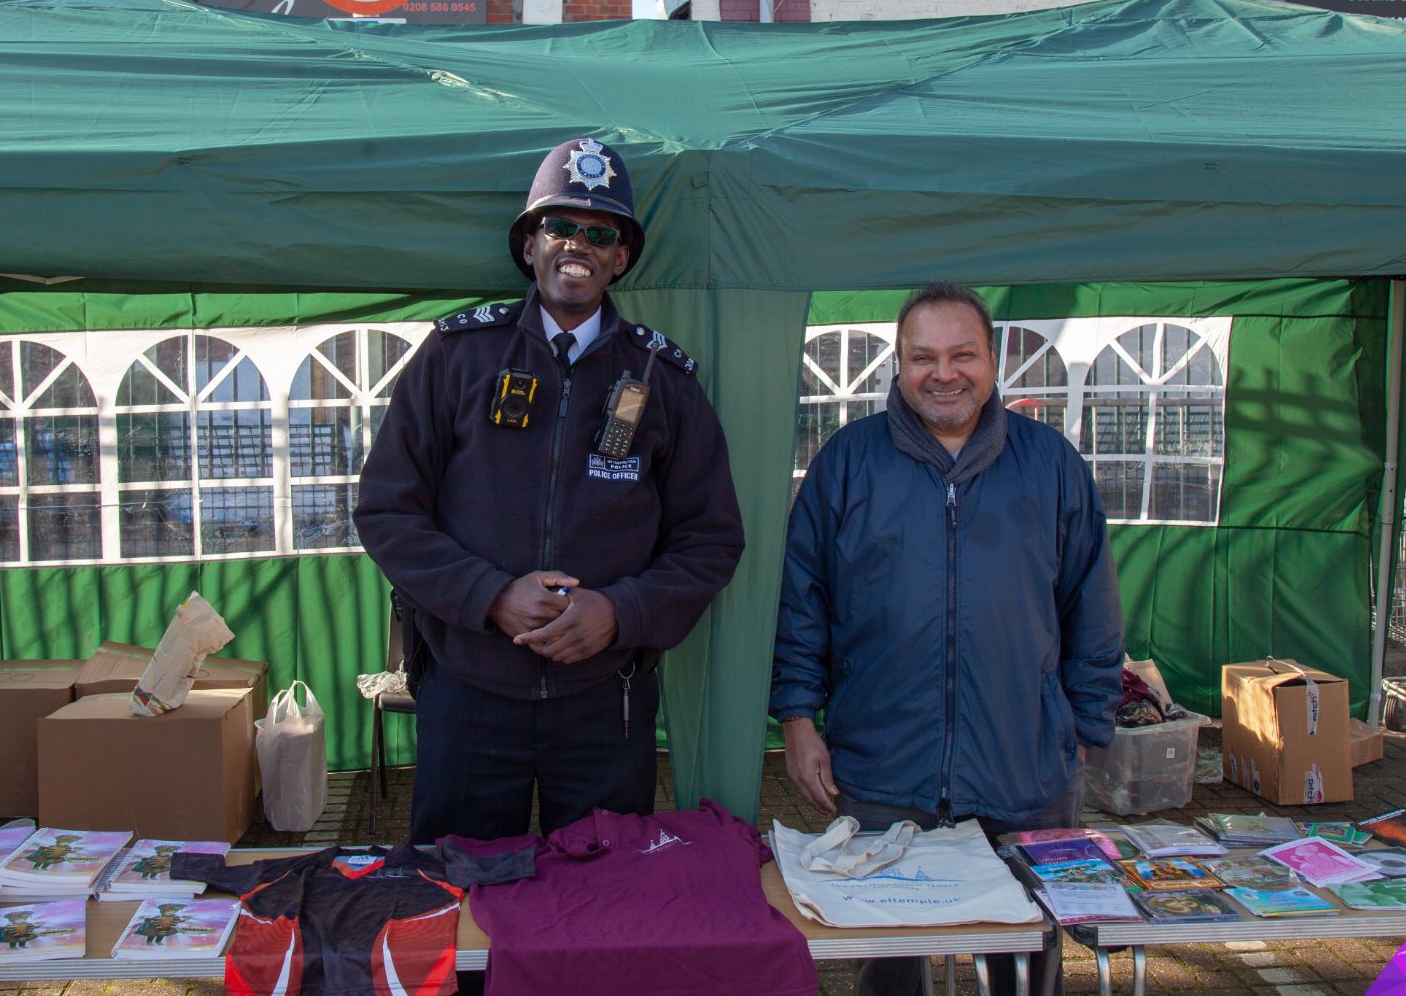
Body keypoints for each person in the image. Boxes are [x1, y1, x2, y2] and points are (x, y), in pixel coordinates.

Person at [355, 137, 745, 846]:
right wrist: (489, 595)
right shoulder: (456, 356)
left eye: (601, 234)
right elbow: (387, 510)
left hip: (605, 704)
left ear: (620, 258)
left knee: (603, 892)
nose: (578, 245)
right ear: (530, 244)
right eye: (560, 226)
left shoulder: (662, 379)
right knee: (463, 887)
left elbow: (711, 538)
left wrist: (618, 612)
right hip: (468, 694)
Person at [771, 281, 1124, 996]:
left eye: (963, 354)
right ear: (898, 365)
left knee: (1025, 961)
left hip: (1025, 769)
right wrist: (799, 719)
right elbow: (801, 602)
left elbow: (1092, 607)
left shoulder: (1051, 464)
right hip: (883, 765)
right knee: (890, 965)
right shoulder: (848, 462)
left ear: (994, 360)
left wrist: (1084, 726)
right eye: (922, 357)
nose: (944, 373)